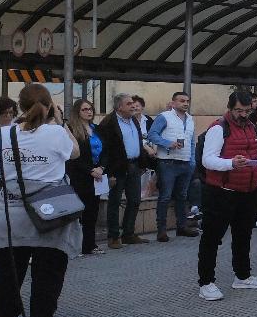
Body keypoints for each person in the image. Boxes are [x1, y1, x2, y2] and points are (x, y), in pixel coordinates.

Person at [0, 84, 79, 317]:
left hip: (9, 212)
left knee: (9, 275)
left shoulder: (2, 134)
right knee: (48, 273)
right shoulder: (55, 133)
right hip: (49, 211)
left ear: (19, 106)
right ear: (50, 105)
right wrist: (60, 121)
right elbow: (75, 152)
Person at [196, 92, 257, 301]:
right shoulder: (219, 128)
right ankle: (206, 282)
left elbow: (252, 155)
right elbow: (207, 160)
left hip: (247, 190)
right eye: (239, 111)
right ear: (229, 108)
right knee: (212, 238)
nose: (243, 115)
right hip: (221, 192)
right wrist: (230, 164)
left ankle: (242, 276)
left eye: (247, 111)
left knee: (243, 235)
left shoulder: (250, 126)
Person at [147, 92, 200, 242]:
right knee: (165, 197)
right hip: (168, 162)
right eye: (182, 101)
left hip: (185, 162)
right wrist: (167, 143)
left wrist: (192, 161)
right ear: (174, 102)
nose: (185, 103)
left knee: (182, 196)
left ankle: (181, 226)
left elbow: (191, 140)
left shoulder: (190, 119)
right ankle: (161, 230)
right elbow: (152, 134)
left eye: (187, 101)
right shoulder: (164, 116)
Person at [97, 93, 148, 248]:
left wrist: (141, 164)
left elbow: (138, 143)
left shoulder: (133, 120)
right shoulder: (109, 123)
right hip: (117, 168)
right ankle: (113, 237)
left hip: (134, 166)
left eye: (133, 103)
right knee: (115, 201)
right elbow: (105, 149)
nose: (133, 106)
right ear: (119, 107)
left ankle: (128, 234)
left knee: (134, 201)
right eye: (129, 104)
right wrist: (109, 173)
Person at [66, 99, 105, 256]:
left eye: (91, 109)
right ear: (77, 112)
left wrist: (101, 168)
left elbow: (106, 150)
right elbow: (75, 157)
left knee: (92, 211)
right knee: (78, 213)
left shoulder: (97, 129)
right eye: (85, 109)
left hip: (97, 176)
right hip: (80, 176)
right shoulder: (72, 129)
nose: (89, 112)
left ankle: (90, 244)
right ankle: (76, 246)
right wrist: (90, 170)